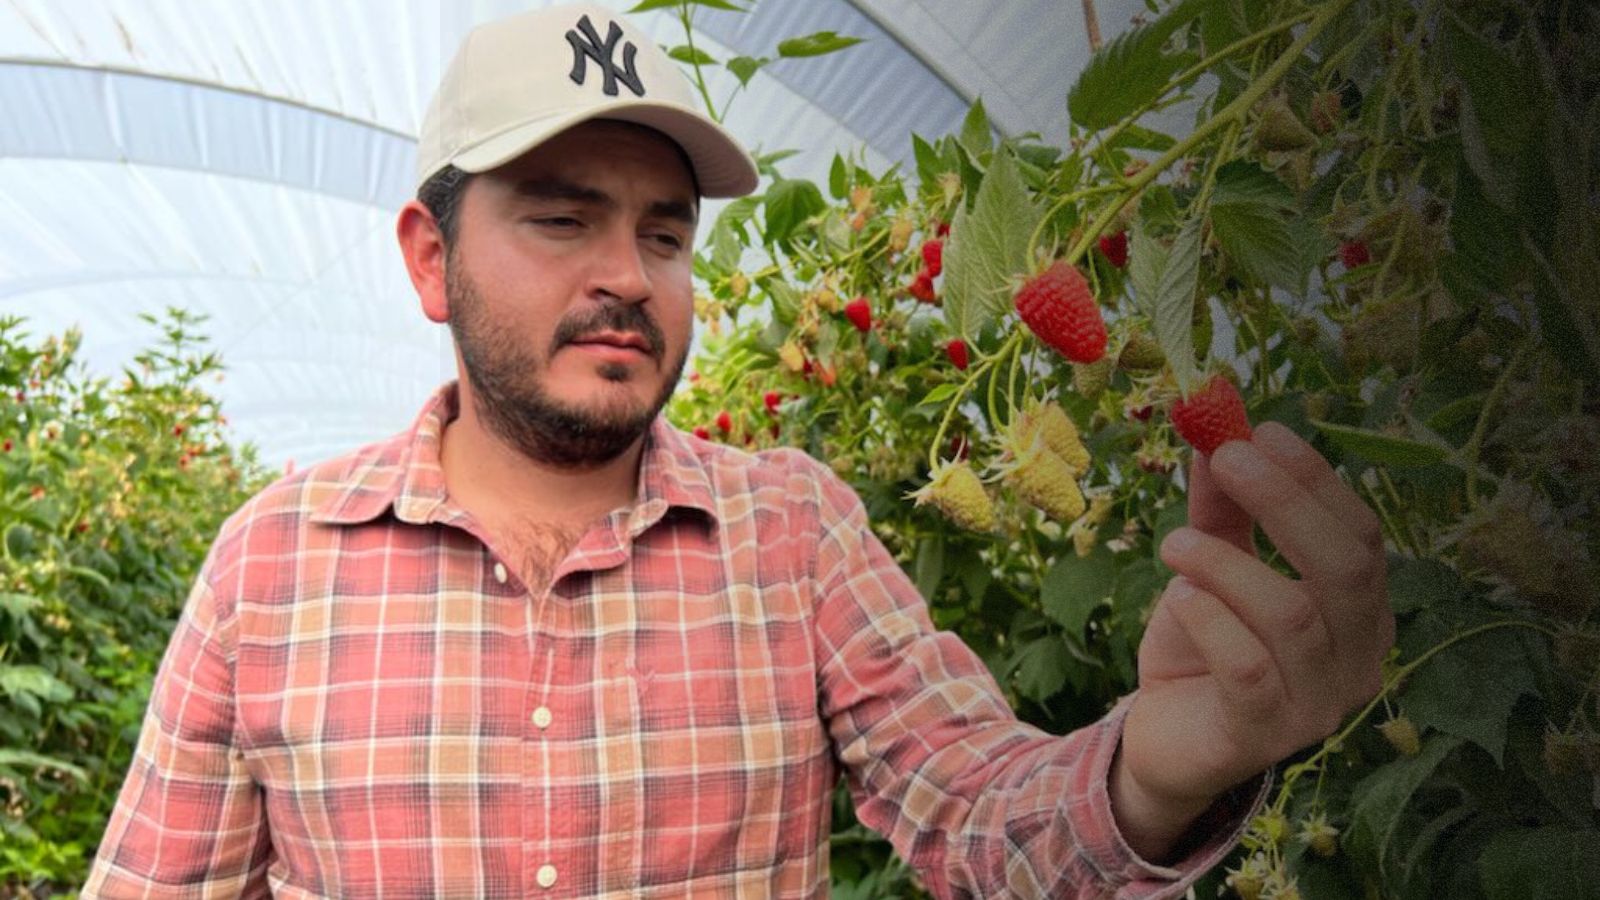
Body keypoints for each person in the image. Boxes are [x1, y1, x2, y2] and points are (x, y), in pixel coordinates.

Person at [82, 4, 1394, 897]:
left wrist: (1150, 775)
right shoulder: (275, 565)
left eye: (663, 235)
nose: (628, 276)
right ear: (433, 260)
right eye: (560, 220)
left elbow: (975, 809)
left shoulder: (790, 533)